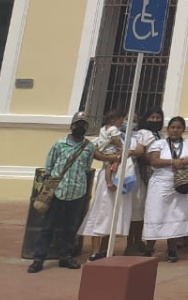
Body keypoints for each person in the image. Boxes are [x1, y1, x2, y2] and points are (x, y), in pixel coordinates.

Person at [27, 111, 103, 273]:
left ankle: (66, 256)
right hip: (58, 192)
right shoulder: (59, 145)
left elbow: (86, 166)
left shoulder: (89, 147)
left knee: (70, 227)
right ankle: (38, 258)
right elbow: (49, 166)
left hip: (77, 192)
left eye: (84, 125)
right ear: (72, 125)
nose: (80, 127)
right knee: (48, 226)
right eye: (78, 124)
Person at [143, 116, 188, 263]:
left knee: (175, 216)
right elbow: (154, 161)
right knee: (155, 215)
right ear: (168, 129)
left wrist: (187, 161)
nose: (175, 130)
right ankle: (149, 248)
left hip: (181, 185)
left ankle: (171, 250)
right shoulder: (160, 143)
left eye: (178, 128)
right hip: (160, 184)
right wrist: (172, 162)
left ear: (183, 130)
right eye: (172, 127)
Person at [80, 109, 132, 261]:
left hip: (120, 176)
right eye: (122, 120)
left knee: (113, 213)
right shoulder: (112, 134)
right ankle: (95, 251)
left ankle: (106, 249)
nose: (123, 123)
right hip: (107, 177)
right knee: (102, 212)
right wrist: (116, 155)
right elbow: (96, 152)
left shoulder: (111, 132)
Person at [125, 106, 165, 256]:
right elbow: (140, 153)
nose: (155, 120)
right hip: (141, 174)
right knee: (136, 210)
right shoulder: (142, 134)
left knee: (145, 212)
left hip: (155, 176)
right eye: (152, 117)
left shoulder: (160, 135)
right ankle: (130, 244)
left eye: (158, 118)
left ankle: (138, 241)